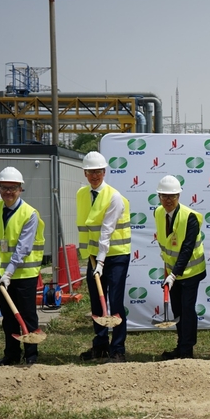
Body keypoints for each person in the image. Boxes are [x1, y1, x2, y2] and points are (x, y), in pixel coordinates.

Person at [0, 166, 45, 366]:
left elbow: (23, 248)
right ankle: (11, 355)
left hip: (24, 275)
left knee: (27, 315)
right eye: (4, 187)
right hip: (1, 274)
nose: (8, 192)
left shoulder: (29, 214)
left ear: (20, 189)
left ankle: (31, 355)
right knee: (8, 317)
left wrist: (9, 273)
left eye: (12, 188)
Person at [77, 151, 131, 363]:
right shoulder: (82, 194)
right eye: (91, 172)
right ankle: (100, 346)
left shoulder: (114, 197)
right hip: (93, 257)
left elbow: (107, 231)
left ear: (104, 172)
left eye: (98, 171)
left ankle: (118, 349)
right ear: (85, 173)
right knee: (97, 305)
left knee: (115, 303)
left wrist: (101, 261)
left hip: (116, 256)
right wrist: (94, 259)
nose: (94, 175)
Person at [154, 175, 206, 360]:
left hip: (191, 272)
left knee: (187, 308)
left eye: (173, 196)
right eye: (164, 196)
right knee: (177, 310)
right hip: (172, 272)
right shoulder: (158, 213)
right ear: (159, 196)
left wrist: (174, 274)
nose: (168, 200)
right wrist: (169, 271)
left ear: (179, 196)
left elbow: (186, 249)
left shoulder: (190, 217)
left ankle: (187, 349)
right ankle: (181, 345)